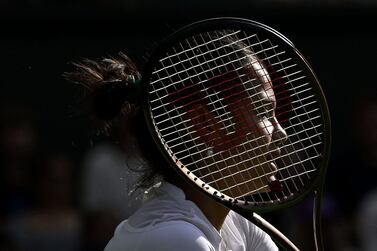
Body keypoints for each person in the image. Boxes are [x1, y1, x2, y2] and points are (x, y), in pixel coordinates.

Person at [65, 30, 287, 251]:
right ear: (206, 124)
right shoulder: (177, 240)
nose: (281, 133)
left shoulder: (240, 229)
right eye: (264, 111)